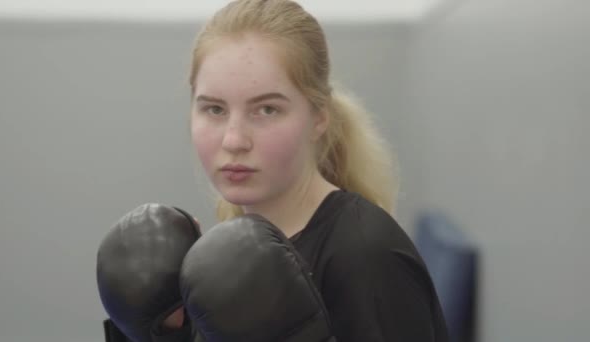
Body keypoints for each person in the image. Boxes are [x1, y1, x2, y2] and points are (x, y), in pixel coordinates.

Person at [97, 0, 449, 341]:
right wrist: (163, 333)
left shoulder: (365, 258)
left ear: (319, 118)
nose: (234, 140)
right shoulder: (238, 251)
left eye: (266, 110)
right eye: (215, 109)